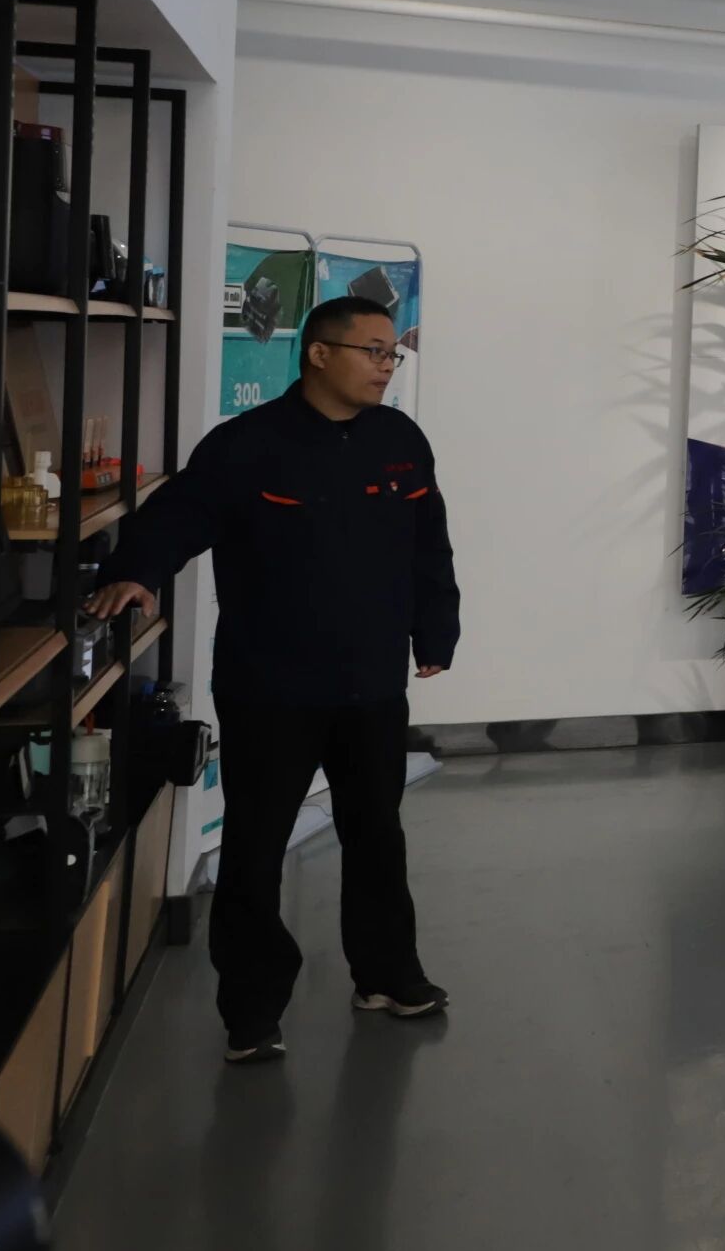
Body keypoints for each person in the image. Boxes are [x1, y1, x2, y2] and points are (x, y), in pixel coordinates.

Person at [88, 296, 458, 1065]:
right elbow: (177, 517)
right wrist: (136, 572)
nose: (386, 366)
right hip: (270, 687)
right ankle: (253, 1012)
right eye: (372, 351)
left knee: (376, 835)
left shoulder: (400, 441)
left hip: (371, 684)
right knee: (255, 849)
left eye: (392, 353)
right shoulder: (246, 446)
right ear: (319, 354)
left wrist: (436, 628)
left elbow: (430, 544)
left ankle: (388, 974)